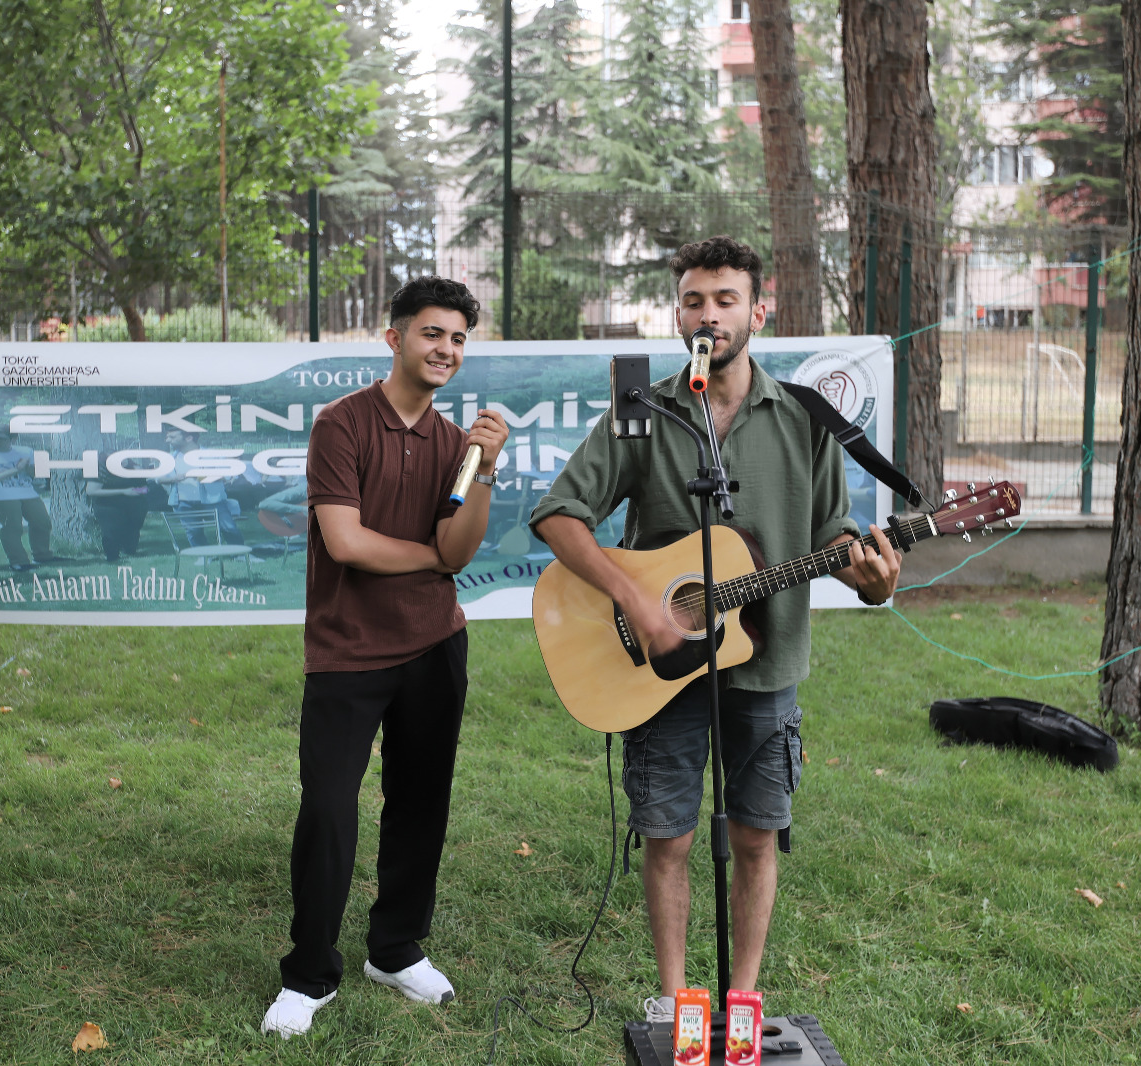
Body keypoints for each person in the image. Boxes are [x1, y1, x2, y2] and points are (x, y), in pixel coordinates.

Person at [529, 235, 902, 1020]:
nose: (709, 314)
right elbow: (558, 514)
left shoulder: (807, 417)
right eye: (694, 300)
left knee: (758, 834)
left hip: (766, 666)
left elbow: (834, 530)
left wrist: (868, 575)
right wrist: (634, 601)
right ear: (678, 315)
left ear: (758, 311)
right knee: (666, 836)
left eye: (726, 299)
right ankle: (673, 1000)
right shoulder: (645, 414)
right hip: (658, 671)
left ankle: (743, 996)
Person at [260, 276, 509, 1040]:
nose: (447, 350)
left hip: (435, 646)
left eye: (460, 339)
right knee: (329, 810)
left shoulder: (456, 447)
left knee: (420, 803)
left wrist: (485, 470)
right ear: (394, 337)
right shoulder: (342, 425)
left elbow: (459, 552)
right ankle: (309, 973)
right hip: (347, 651)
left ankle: (395, 949)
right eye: (434, 334)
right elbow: (347, 542)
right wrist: (431, 559)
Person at [0, 422, 57, 572]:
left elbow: (36, 473)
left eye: (0, 438)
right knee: (13, 526)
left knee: (42, 522)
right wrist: (16, 469)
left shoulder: (25, 451)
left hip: (26, 492)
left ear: (13, 439)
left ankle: (42, 555)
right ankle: (19, 561)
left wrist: (27, 467)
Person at [158, 428, 244, 546]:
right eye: (167, 437)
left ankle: (239, 554)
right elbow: (160, 479)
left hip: (212, 500)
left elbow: (227, 476)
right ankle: (204, 557)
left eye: (172, 437)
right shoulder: (170, 458)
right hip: (183, 502)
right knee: (193, 531)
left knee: (228, 527)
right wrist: (174, 478)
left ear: (189, 438)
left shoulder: (212, 455)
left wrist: (202, 476)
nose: (168, 440)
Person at [85, 465, 151, 563]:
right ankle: (113, 556)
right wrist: (124, 492)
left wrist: (138, 490)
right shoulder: (102, 470)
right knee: (111, 533)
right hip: (108, 507)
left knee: (132, 538)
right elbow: (91, 490)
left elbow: (145, 488)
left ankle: (129, 551)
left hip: (135, 508)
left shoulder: (135, 468)